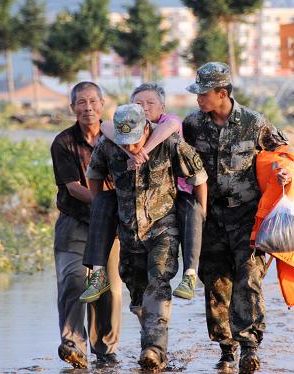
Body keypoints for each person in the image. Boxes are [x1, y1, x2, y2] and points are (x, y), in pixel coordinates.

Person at [182, 62, 291, 373]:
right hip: (210, 217)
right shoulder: (192, 125)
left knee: (248, 277)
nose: (198, 99)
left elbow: (281, 154)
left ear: (222, 93)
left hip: (247, 215)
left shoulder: (254, 123)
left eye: (203, 93)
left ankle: (249, 346)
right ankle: (226, 348)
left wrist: (283, 172)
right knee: (215, 282)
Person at [86, 103, 208, 370]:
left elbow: (199, 177)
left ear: (146, 128)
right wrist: (101, 210)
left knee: (159, 283)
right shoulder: (109, 146)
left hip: (163, 228)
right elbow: (93, 175)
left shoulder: (170, 145)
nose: (130, 148)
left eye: (134, 142)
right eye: (124, 142)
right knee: (138, 295)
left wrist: (200, 216)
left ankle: (155, 350)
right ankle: (150, 338)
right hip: (128, 232)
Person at [82, 82, 205, 301]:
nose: (145, 107)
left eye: (150, 103)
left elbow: (170, 133)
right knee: (101, 203)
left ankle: (190, 274)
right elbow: (106, 128)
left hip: (170, 208)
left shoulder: (169, 129)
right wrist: (130, 153)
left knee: (193, 210)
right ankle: (98, 274)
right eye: (139, 103)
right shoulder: (117, 133)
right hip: (131, 220)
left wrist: (143, 152)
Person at [50, 81, 121, 369]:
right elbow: (73, 187)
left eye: (93, 101)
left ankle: (105, 350)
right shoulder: (63, 142)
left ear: (103, 105)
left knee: (109, 288)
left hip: (112, 223)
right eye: (81, 102)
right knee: (75, 280)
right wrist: (106, 200)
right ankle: (73, 344)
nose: (88, 107)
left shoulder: (116, 137)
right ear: (73, 108)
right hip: (75, 221)